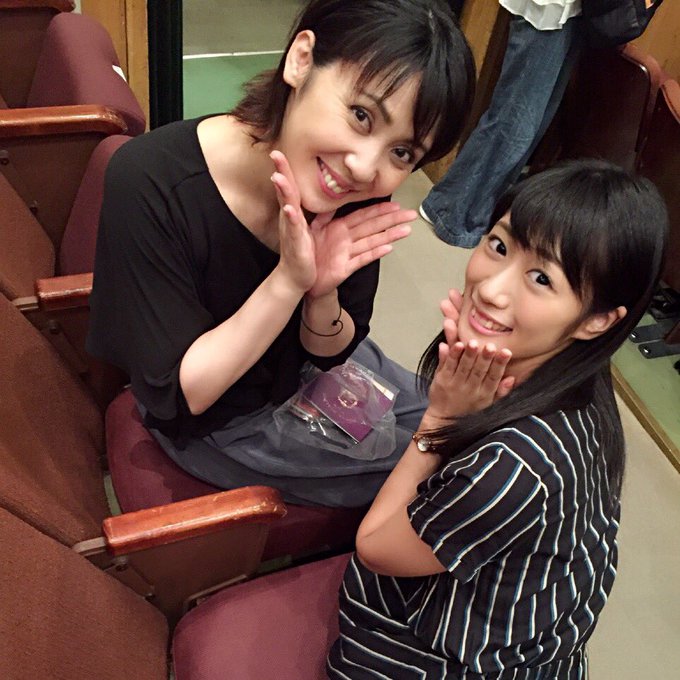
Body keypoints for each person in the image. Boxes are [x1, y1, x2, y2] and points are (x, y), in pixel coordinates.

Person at [86, 0, 475, 507]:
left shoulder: (352, 188)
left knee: (476, 427)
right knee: (451, 473)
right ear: (301, 59)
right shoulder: (151, 181)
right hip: (224, 422)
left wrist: (321, 295)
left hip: (309, 373)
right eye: (361, 116)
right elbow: (184, 393)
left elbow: (332, 351)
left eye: (402, 152)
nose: (364, 167)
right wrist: (289, 281)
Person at [327, 159, 668, 677]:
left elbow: (374, 547)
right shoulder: (578, 381)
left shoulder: (515, 465)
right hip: (536, 622)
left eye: (541, 278)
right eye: (500, 246)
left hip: (466, 658)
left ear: (597, 320)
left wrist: (440, 418)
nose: (490, 289)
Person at [420, 0, 584, 248]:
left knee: (529, 127)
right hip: (548, 11)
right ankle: (449, 209)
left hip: (571, 13)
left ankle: (476, 211)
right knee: (513, 124)